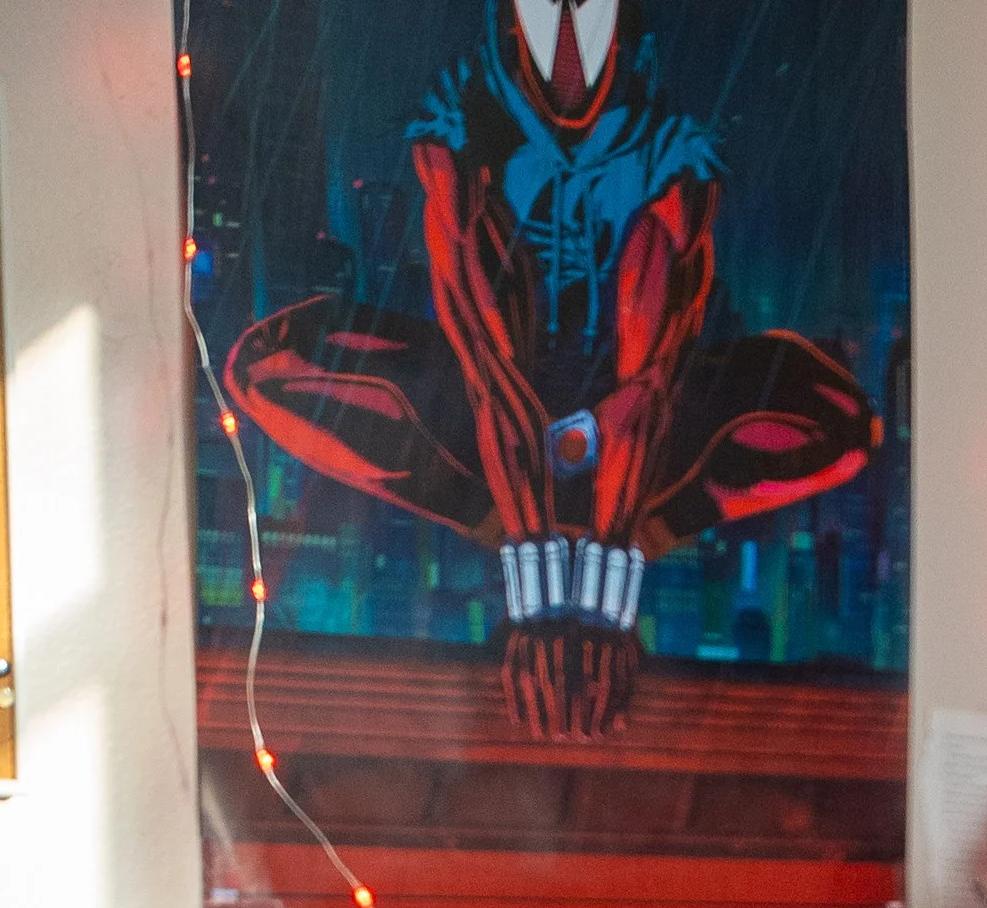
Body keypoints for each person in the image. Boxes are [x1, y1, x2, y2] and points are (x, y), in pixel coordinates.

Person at [222, 0, 877, 738]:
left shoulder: (671, 150)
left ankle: (609, 522)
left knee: (842, 422)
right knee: (267, 367)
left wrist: (609, 575)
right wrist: (535, 579)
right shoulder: (459, 125)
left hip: (633, 428)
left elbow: (650, 381)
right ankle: (497, 516)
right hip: (491, 412)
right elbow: (489, 363)